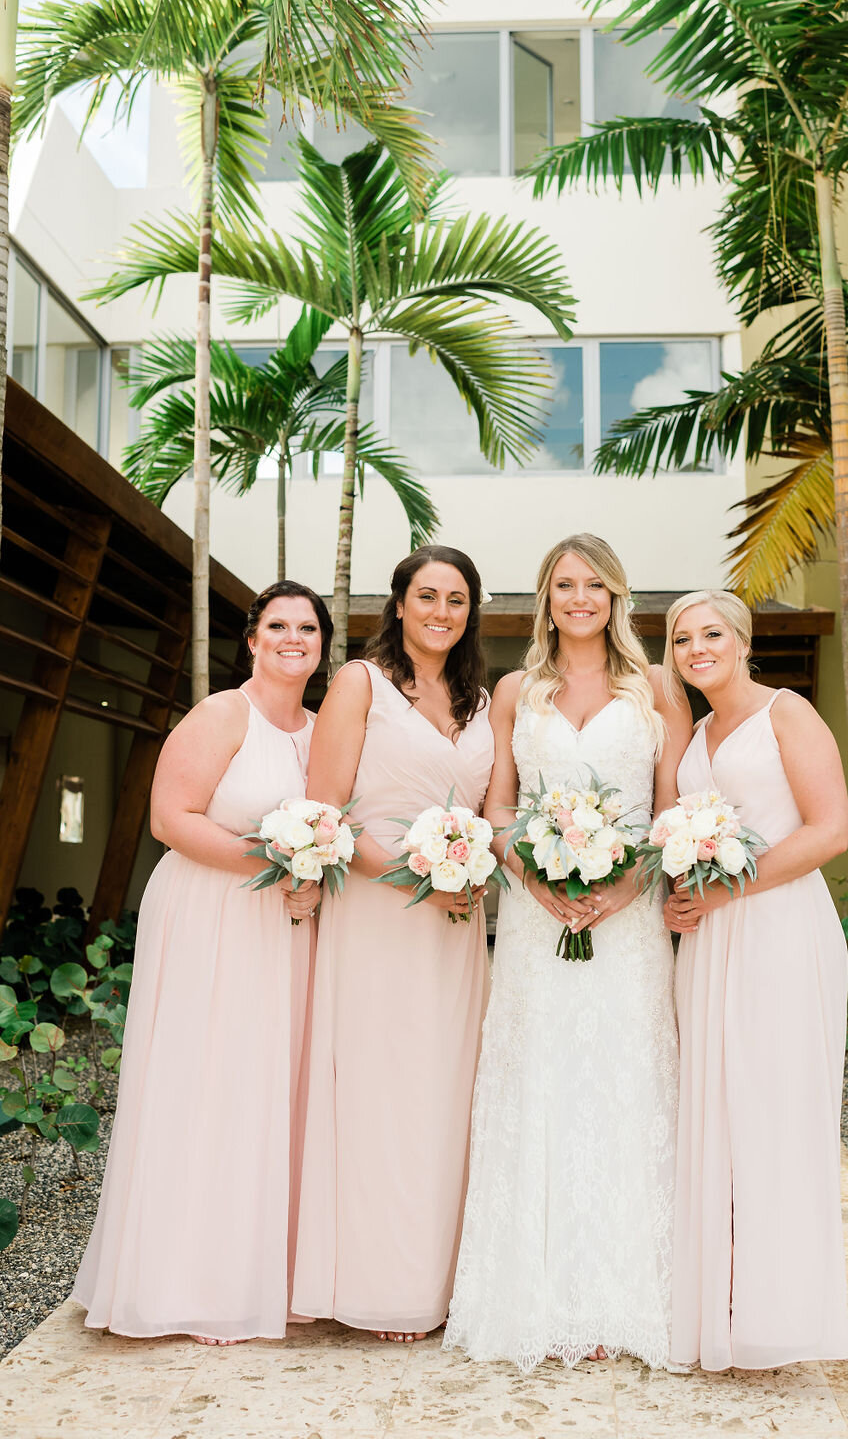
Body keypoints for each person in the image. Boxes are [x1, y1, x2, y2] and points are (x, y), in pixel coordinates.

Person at [444, 534, 692, 1372]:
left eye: (594, 584)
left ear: (617, 596)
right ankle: (532, 1297)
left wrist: (626, 889)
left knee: (625, 1082)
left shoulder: (658, 688)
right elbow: (501, 807)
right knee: (538, 1080)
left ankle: (624, 1299)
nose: (578, 597)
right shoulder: (517, 690)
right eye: (563, 584)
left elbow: (671, 813)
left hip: (628, 923)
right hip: (532, 918)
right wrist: (536, 878)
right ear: (544, 598)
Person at [73, 581, 330, 1343]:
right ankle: (188, 1284)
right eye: (277, 625)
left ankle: (258, 1273)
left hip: (282, 925)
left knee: (268, 1087)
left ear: (322, 645)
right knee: (206, 1081)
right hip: (210, 915)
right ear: (252, 639)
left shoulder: (322, 730)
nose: (293, 638)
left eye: (307, 628)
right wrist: (276, 860)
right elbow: (169, 818)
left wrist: (307, 876)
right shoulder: (223, 713)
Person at [291, 545, 493, 1342]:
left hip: (456, 927)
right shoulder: (359, 684)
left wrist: (467, 876)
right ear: (400, 605)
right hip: (378, 913)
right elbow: (324, 814)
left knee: (446, 1094)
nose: (442, 611)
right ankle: (381, 1287)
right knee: (381, 1093)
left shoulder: (479, 701)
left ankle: (441, 1281)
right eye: (427, 596)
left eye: (457, 598)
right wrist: (421, 876)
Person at [663, 589, 848, 1371]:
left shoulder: (788, 713)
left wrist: (724, 888)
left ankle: (781, 1314)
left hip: (777, 928)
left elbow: (828, 830)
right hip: (709, 939)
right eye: (680, 639)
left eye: (710, 633)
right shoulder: (697, 731)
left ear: (741, 640)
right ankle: (724, 1298)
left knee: (775, 1110)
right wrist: (678, 899)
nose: (696, 648)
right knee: (716, 1112)